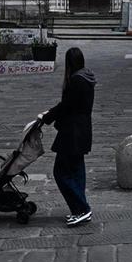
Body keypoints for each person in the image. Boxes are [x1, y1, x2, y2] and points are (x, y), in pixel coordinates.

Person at [39, 47, 96, 226]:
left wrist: (47, 117)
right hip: (82, 131)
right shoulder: (87, 77)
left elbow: (66, 106)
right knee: (77, 171)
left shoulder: (76, 80)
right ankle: (79, 210)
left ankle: (83, 208)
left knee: (61, 172)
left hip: (73, 133)